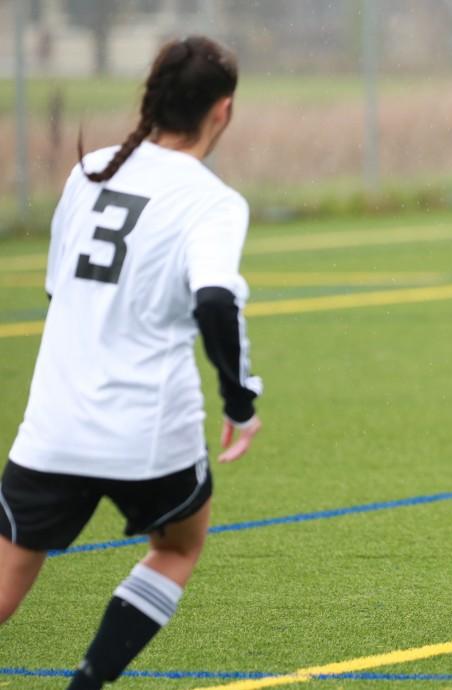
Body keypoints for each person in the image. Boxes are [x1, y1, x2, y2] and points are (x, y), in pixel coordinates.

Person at [0, 36, 262, 689]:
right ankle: (88, 683)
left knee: (6, 584)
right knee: (178, 545)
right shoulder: (213, 201)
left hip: (54, 424)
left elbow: (61, 291)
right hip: (148, 432)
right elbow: (214, 302)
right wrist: (240, 401)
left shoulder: (89, 171)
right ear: (221, 111)